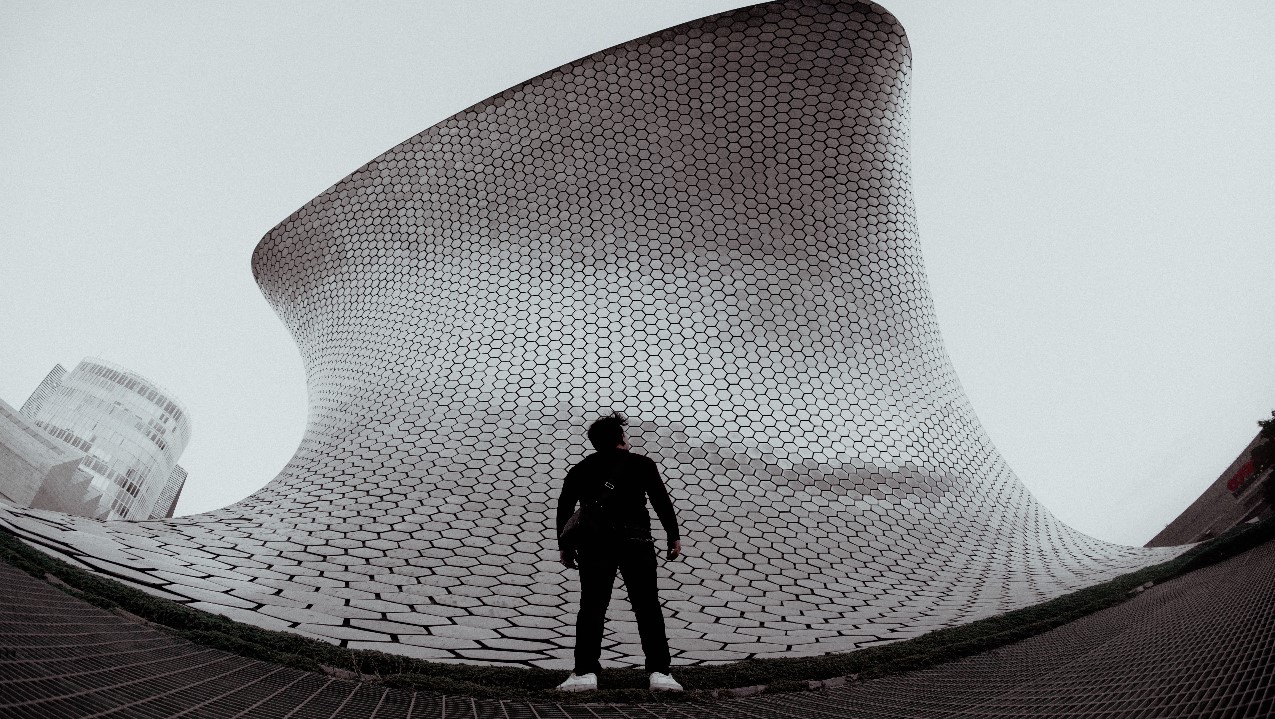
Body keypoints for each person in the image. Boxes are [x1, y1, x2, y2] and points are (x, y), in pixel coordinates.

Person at [555, 412, 683, 693]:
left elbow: (565, 508)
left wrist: (564, 546)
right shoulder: (642, 464)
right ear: (622, 439)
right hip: (636, 542)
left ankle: (585, 673)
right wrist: (673, 536)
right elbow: (661, 501)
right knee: (647, 606)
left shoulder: (580, 469)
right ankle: (660, 673)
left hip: (594, 545)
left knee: (592, 607)